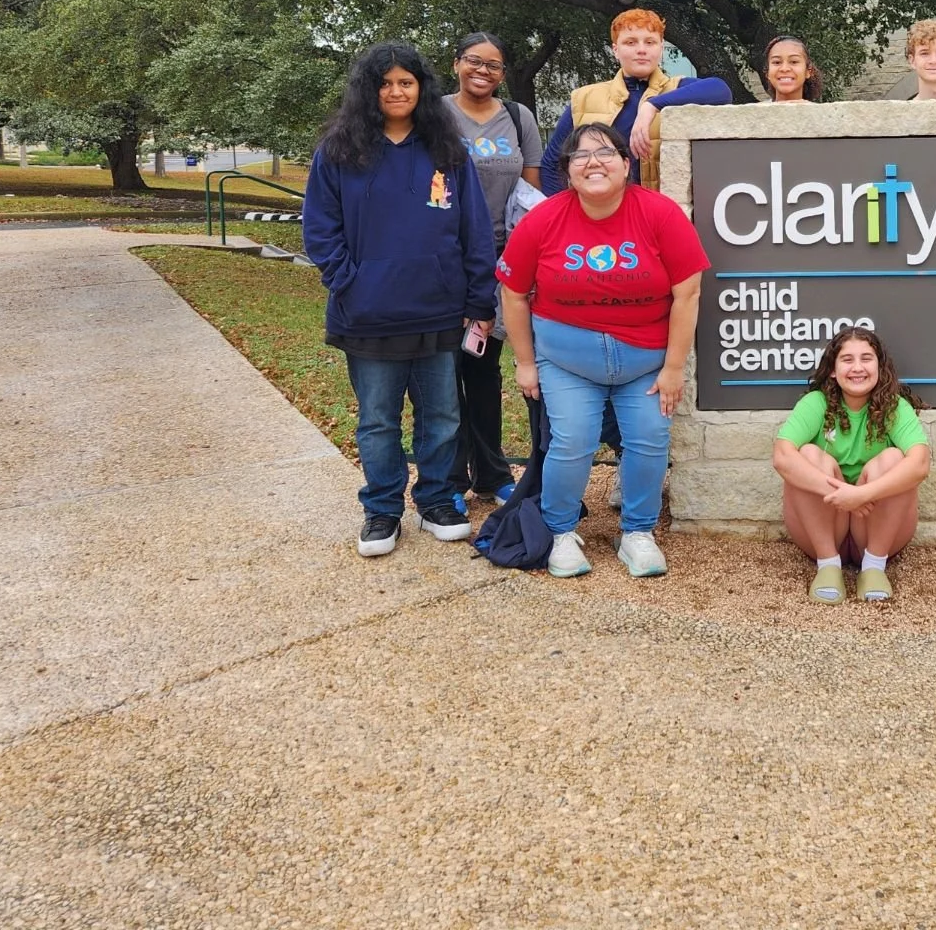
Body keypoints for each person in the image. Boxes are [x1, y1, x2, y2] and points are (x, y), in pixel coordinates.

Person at [303, 42, 497, 558]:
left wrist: (479, 298)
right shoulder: (340, 150)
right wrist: (352, 281)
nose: (395, 91)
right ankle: (383, 509)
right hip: (366, 313)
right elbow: (320, 230)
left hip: (438, 307)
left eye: (405, 82)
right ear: (369, 90)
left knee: (442, 416)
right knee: (378, 420)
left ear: (421, 89)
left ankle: (436, 500)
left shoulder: (446, 149)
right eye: (385, 83)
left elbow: (474, 229)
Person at [498, 120, 709, 580]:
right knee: (572, 441)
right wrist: (525, 363)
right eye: (581, 156)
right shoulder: (544, 219)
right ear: (568, 170)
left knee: (649, 440)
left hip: (645, 362)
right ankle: (559, 531)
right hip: (567, 361)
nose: (593, 162)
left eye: (606, 152)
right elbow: (513, 293)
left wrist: (674, 368)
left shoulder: (660, 213)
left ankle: (637, 532)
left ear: (627, 164)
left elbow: (687, 293)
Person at [443, 31, 543, 508]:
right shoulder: (437, 114)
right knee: (446, 371)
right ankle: (450, 478)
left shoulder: (519, 118)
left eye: (494, 65)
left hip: (504, 262)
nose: (483, 71)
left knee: (484, 371)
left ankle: (491, 473)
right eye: (474, 61)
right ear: (456, 64)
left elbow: (530, 195)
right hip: (448, 260)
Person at [772, 327, 930, 603]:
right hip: (823, 528)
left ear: (880, 366)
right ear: (833, 369)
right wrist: (844, 496)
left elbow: (920, 464)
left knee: (894, 460)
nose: (858, 368)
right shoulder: (816, 404)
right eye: (847, 360)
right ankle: (828, 564)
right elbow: (782, 456)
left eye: (866, 359)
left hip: (874, 530)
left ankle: (874, 567)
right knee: (808, 455)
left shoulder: (893, 407)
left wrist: (861, 496)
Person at [539, 9, 731, 194]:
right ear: (615, 49)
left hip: (660, 215)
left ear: (661, 48)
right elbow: (551, 164)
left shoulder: (678, 89)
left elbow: (721, 90)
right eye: (630, 42)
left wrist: (652, 105)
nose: (641, 50)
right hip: (602, 215)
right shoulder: (584, 98)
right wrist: (568, 214)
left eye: (650, 42)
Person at [763, 33, 825, 103]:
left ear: (808, 71)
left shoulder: (823, 113)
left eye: (794, 62)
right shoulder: (753, 112)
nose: (784, 69)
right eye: (777, 62)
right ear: (767, 72)